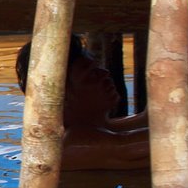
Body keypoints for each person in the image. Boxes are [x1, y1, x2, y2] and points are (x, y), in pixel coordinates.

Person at [15, 35, 148, 171]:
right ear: (61, 97)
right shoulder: (74, 143)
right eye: (91, 75)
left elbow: (147, 119)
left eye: (98, 68)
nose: (105, 73)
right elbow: (164, 141)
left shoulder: (99, 127)